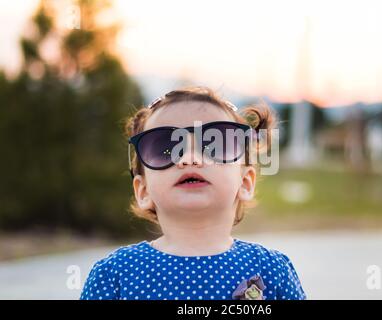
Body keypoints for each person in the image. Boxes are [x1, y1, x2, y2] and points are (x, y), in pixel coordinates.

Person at [80, 86, 307, 300]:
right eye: (165, 148)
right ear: (143, 190)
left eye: (215, 144)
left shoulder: (271, 270)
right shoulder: (114, 276)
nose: (190, 158)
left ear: (245, 183)